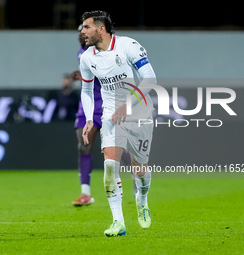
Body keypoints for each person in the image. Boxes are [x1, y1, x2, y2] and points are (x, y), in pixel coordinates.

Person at [79, 11, 157, 236]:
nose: (82, 32)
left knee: (139, 169)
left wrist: (129, 105)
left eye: (86, 27)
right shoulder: (87, 58)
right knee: (110, 166)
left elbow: (150, 78)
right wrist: (89, 118)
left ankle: (141, 201)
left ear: (100, 29)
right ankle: (118, 222)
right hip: (111, 114)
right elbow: (86, 89)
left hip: (138, 110)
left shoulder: (127, 46)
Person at [71, 25, 103, 206]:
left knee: (117, 150)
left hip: (106, 103)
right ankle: (85, 193)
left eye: (85, 32)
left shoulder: (106, 51)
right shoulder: (80, 53)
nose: (81, 35)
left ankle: (139, 179)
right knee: (83, 146)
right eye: (80, 32)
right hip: (86, 105)